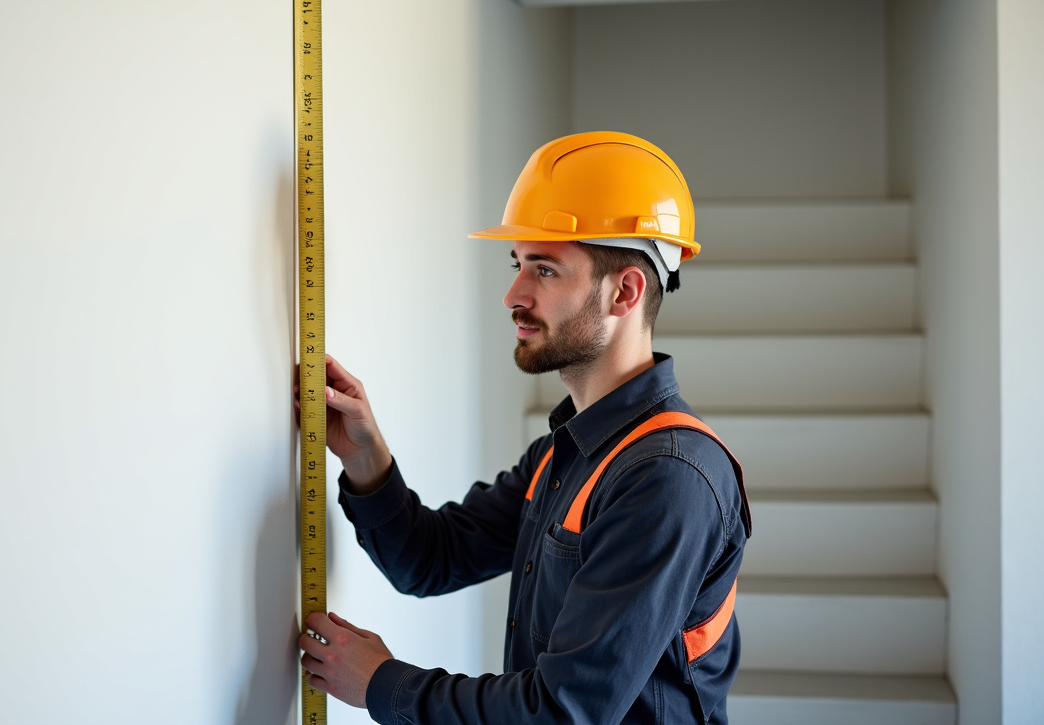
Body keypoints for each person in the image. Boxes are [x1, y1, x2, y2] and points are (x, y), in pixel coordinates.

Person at [299, 131, 752, 724]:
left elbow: (563, 712)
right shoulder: (567, 454)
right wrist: (365, 456)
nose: (513, 294)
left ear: (625, 291)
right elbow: (429, 559)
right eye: (518, 265)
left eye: (545, 269)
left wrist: (384, 684)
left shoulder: (669, 477)